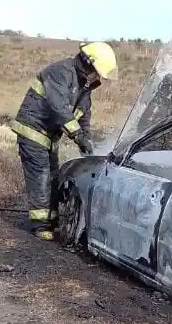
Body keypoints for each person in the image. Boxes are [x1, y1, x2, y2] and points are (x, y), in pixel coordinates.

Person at [10, 41, 118, 241]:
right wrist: (77, 135)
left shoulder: (84, 86)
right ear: (88, 64)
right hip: (33, 131)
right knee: (41, 176)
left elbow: (83, 115)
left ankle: (50, 221)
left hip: (48, 137)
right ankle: (41, 226)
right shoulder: (60, 72)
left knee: (52, 176)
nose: (98, 78)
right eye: (98, 72)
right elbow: (59, 108)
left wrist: (86, 139)